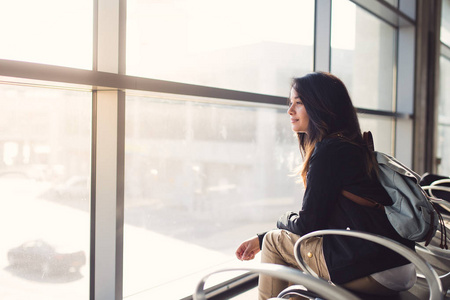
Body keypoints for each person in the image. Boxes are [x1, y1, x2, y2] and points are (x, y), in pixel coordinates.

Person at [235, 72, 417, 299]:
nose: (290, 111)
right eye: (290, 103)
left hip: (375, 269)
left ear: (322, 106)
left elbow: (307, 226)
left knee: (275, 241)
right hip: (399, 263)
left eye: (298, 103)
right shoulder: (352, 144)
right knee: (292, 250)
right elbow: (322, 222)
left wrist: (277, 224)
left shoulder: (329, 152)